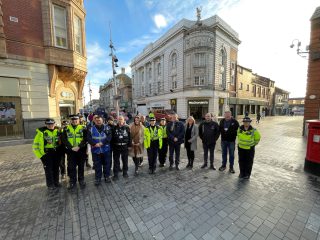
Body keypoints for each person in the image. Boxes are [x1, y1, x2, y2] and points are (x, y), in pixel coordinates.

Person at [32, 119, 61, 190]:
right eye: (48, 124)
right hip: (47, 154)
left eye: (52, 124)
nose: (50, 125)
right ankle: (50, 185)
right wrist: (41, 156)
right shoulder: (41, 133)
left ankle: (56, 182)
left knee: (56, 168)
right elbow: (35, 146)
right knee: (48, 170)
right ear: (46, 124)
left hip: (56, 152)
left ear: (54, 124)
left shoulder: (58, 131)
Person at [61, 115, 88, 189]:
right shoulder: (66, 129)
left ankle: (81, 180)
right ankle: (72, 182)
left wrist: (79, 146)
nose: (74, 121)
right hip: (71, 151)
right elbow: (64, 140)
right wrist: (71, 147)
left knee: (81, 167)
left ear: (79, 120)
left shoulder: (83, 128)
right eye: (73, 120)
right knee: (71, 167)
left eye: (76, 119)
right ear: (70, 120)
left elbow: (85, 139)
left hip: (81, 150)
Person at [87, 115, 112, 185]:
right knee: (97, 165)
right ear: (95, 121)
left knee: (106, 164)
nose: (98, 122)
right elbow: (88, 138)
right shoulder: (91, 129)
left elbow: (109, 137)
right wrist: (94, 144)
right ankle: (98, 178)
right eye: (97, 120)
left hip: (105, 150)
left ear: (102, 120)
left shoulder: (107, 128)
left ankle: (107, 177)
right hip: (95, 150)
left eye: (99, 120)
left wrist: (102, 143)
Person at [112, 116, 131, 180]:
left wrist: (129, 146)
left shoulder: (127, 128)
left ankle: (125, 172)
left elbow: (130, 137)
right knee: (116, 161)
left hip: (124, 146)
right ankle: (115, 174)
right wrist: (112, 147)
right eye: (119, 119)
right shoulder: (114, 128)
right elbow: (112, 138)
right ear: (117, 120)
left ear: (123, 120)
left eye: (121, 119)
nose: (120, 121)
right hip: (116, 146)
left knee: (125, 160)